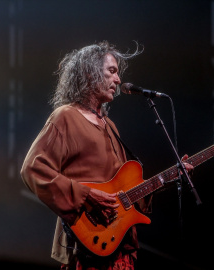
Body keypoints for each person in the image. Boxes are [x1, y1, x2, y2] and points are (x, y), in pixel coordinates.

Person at [20, 41, 193, 270]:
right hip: (86, 244)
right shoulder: (65, 117)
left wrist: (168, 179)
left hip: (119, 245)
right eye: (112, 71)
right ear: (90, 74)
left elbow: (126, 193)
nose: (119, 80)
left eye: (118, 73)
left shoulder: (110, 126)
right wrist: (86, 194)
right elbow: (32, 169)